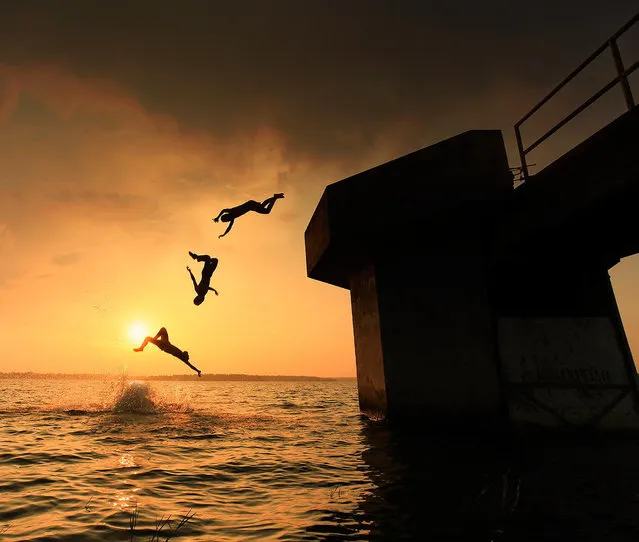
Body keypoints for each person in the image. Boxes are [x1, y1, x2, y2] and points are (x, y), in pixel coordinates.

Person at [133, 327, 201, 377]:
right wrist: (198, 371)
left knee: (158, 332)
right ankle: (142, 348)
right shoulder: (182, 354)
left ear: (185, 356)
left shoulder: (181, 357)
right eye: (186, 353)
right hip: (165, 343)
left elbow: (190, 366)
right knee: (152, 336)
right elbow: (191, 366)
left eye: (186, 354)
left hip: (164, 345)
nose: (185, 352)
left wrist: (197, 371)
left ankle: (147, 344)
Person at [213, 193, 284, 238]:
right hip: (251, 206)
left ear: (227, 217)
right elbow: (229, 228)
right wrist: (223, 234)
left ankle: (275, 198)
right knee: (263, 207)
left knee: (266, 210)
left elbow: (223, 210)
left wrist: (218, 217)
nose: (228, 221)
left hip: (250, 205)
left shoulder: (231, 211)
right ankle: (275, 197)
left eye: (226, 220)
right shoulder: (232, 218)